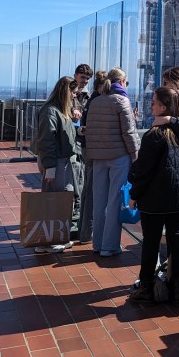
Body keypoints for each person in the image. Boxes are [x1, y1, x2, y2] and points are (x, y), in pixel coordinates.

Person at [127, 86, 179, 304]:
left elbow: (144, 171)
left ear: (163, 107)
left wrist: (134, 194)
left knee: (150, 243)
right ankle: (176, 289)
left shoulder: (155, 135)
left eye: (153, 102)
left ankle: (146, 287)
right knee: (177, 243)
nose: (150, 105)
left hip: (156, 200)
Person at [83, 68, 140, 257]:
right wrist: (135, 156)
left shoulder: (96, 101)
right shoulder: (122, 101)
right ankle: (109, 246)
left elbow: (90, 131)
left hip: (98, 157)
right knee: (115, 200)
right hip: (118, 157)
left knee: (99, 201)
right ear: (122, 82)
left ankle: (97, 243)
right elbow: (129, 133)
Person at [32, 76, 82, 254]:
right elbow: (47, 141)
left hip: (62, 161)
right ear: (66, 92)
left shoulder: (59, 110)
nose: (75, 97)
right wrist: (50, 167)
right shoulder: (51, 111)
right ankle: (47, 241)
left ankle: (56, 237)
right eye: (73, 94)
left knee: (62, 199)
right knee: (53, 201)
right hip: (57, 162)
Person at [76, 69, 108, 243]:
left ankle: (85, 231)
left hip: (89, 149)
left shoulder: (92, 99)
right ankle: (87, 233)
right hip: (94, 150)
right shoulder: (97, 100)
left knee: (88, 191)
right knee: (91, 192)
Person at [68, 63, 93, 238]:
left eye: (87, 79)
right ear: (76, 75)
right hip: (72, 143)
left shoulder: (87, 96)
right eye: (82, 77)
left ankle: (75, 220)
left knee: (81, 180)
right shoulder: (68, 94)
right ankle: (71, 222)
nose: (84, 81)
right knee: (75, 182)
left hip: (82, 142)